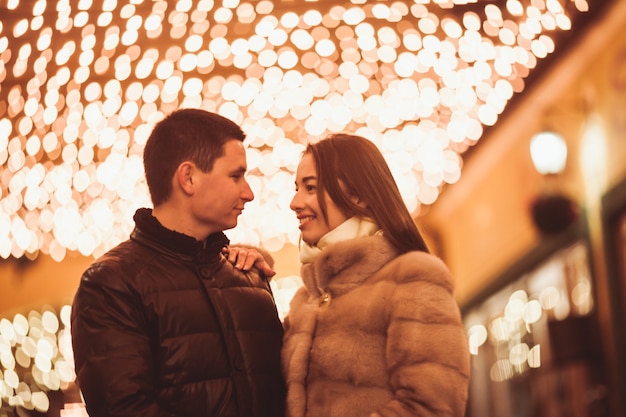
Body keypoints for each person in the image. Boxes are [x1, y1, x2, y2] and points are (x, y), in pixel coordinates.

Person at [70, 108, 286, 417]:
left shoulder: (250, 275)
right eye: (235, 175)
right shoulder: (112, 283)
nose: (249, 193)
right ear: (188, 178)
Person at [282, 134, 470, 417]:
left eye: (310, 188)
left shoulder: (412, 277)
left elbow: (431, 406)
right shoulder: (303, 302)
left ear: (358, 194)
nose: (294, 202)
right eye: (297, 188)